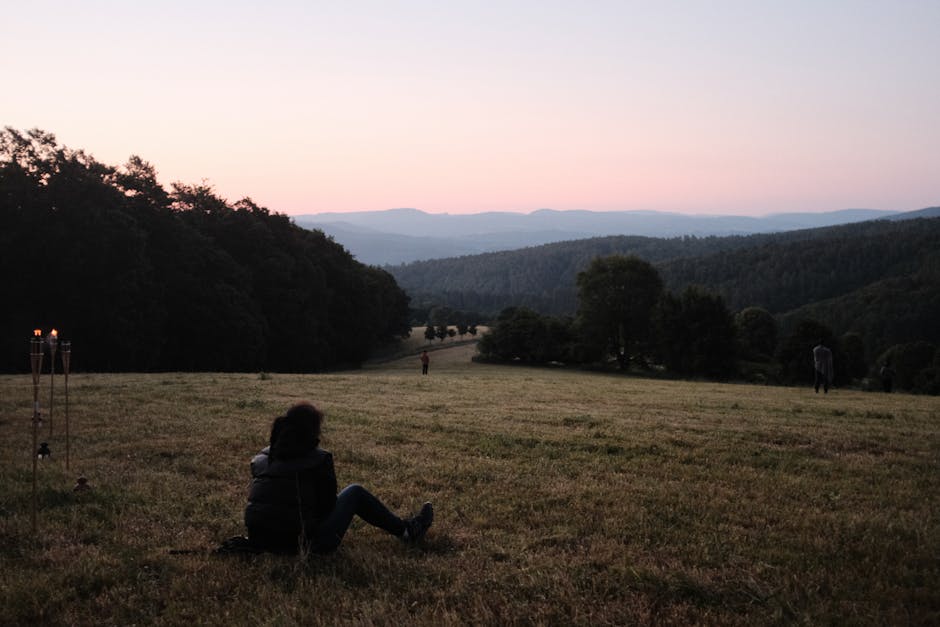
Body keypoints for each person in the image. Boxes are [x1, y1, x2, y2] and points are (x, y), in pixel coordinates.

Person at [244, 402, 433, 554]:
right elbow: (327, 508)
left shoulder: (261, 459)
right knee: (355, 492)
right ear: (312, 431)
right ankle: (407, 531)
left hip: (259, 541)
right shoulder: (318, 459)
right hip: (306, 546)